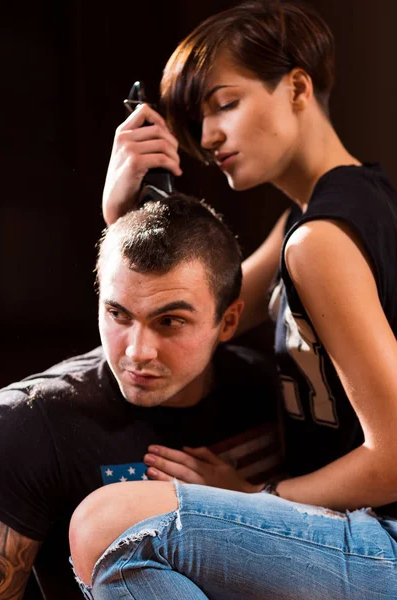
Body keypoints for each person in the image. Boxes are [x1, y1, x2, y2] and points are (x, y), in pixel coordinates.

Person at [69, 1, 397, 599]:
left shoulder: (320, 241)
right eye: (199, 117)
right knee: (119, 560)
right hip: (361, 536)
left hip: (386, 541)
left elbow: (395, 456)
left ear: (297, 87)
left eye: (227, 104)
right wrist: (120, 215)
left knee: (109, 525)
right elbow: (190, 311)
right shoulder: (313, 219)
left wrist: (255, 498)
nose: (209, 135)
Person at [0, 193, 280, 600]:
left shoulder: (265, 388)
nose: (137, 352)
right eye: (118, 315)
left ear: (229, 320)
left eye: (170, 321)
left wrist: (248, 506)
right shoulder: (29, 422)